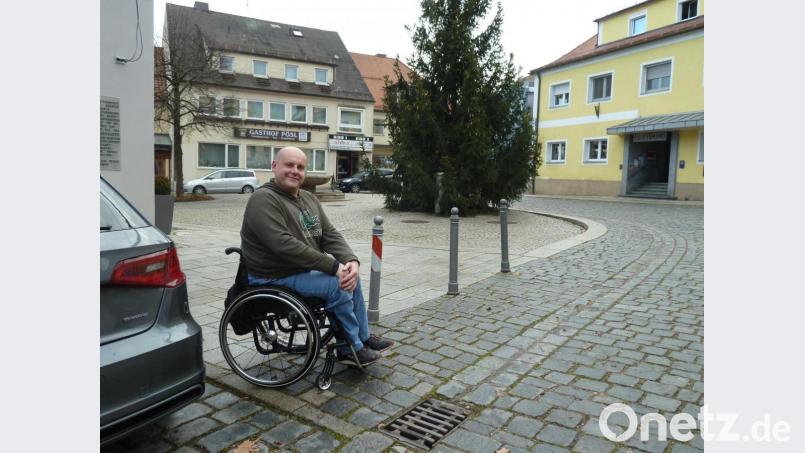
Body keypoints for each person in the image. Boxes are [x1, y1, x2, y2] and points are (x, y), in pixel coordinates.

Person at [240, 146, 393, 366]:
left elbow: (329, 234)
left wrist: (350, 260)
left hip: (298, 270)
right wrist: (332, 266)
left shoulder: (308, 199)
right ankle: (351, 348)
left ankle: (363, 336)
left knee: (351, 276)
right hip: (272, 275)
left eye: (300, 167)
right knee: (337, 283)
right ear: (274, 167)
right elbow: (283, 245)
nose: (295, 171)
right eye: (289, 165)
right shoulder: (263, 199)